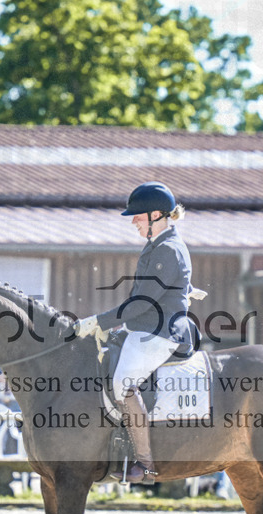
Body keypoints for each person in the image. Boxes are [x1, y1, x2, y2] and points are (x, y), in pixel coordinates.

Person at [74, 182, 204, 484]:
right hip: (144, 326)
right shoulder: (160, 244)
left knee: (122, 385)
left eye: (138, 216)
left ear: (157, 215)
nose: (133, 220)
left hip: (158, 331)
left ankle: (145, 464)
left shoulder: (167, 248)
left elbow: (141, 302)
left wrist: (98, 322)